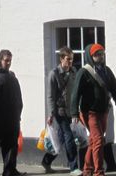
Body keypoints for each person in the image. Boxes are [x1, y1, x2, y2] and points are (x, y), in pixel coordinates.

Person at [70, 43, 116, 176]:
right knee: (98, 140)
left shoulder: (107, 71)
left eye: (101, 54)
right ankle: (99, 172)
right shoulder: (84, 72)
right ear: (90, 56)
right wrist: (74, 112)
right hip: (90, 112)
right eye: (97, 55)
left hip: (103, 111)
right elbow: (75, 93)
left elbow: (115, 89)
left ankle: (87, 170)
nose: (100, 56)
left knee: (94, 141)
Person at [42, 46, 81, 175]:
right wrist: (51, 113)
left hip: (71, 111)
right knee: (69, 137)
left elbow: (76, 92)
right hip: (60, 112)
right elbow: (50, 96)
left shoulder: (74, 72)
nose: (70, 62)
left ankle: (46, 161)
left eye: (72, 59)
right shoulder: (54, 74)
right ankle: (74, 167)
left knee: (60, 140)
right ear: (61, 59)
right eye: (68, 59)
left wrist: (78, 109)